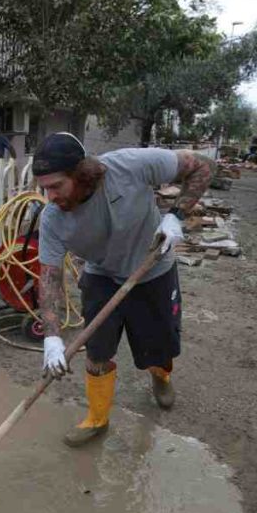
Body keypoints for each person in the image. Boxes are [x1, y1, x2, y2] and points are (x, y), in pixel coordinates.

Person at [34, 132, 212, 447]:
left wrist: (176, 216)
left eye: (56, 186)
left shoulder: (130, 166)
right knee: (97, 352)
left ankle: (160, 376)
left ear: (81, 173)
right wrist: (52, 337)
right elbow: (48, 277)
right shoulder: (52, 220)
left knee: (159, 347)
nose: (50, 196)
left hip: (153, 268)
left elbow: (203, 166)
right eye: (44, 188)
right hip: (102, 274)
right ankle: (97, 419)